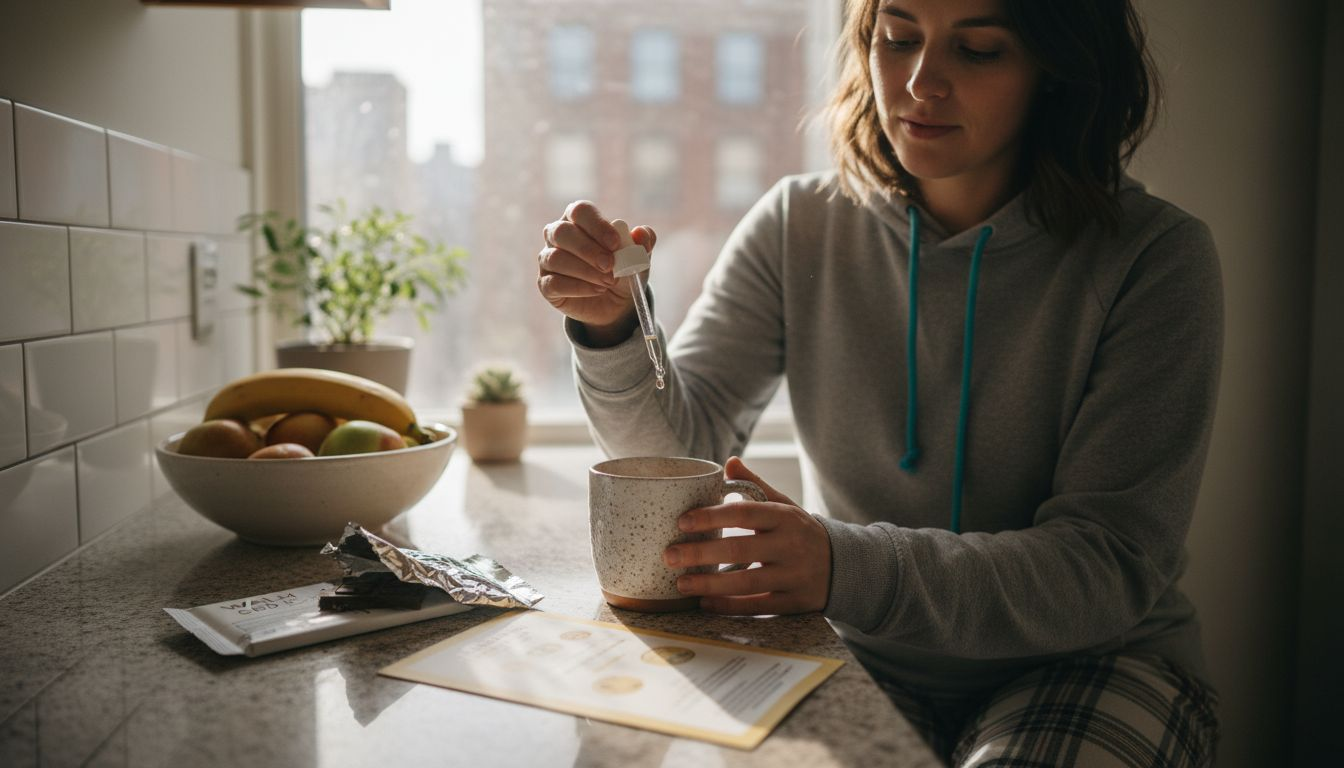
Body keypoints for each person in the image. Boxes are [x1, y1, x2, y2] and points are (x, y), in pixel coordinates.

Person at [536, 0, 1222, 764]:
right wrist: (612, 330)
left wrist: (845, 566)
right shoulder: (798, 222)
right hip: (852, 647)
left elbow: (1105, 565)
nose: (921, 81)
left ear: (1057, 72)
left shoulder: (1156, 259)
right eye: (897, 39)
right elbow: (679, 456)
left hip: (1092, 661)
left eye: (980, 50)